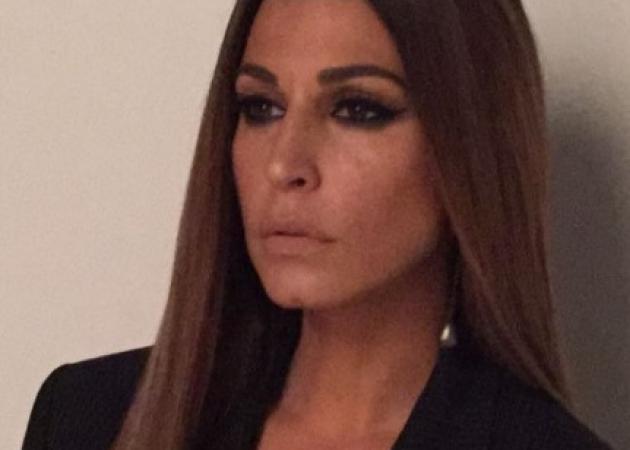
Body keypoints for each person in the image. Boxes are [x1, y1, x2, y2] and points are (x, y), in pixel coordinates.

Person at [22, 0, 614, 449]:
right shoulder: (87, 418)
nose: (284, 165)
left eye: (358, 109)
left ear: (473, 151)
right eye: (261, 107)